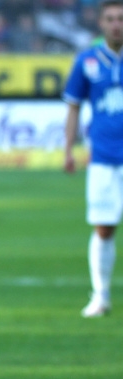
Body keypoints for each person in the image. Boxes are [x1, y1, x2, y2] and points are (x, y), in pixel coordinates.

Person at [63, 0, 123, 318]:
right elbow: (73, 106)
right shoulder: (87, 61)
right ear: (101, 23)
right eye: (111, 19)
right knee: (104, 227)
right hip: (103, 158)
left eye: (121, 19)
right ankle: (100, 296)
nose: (116, 25)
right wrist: (68, 149)